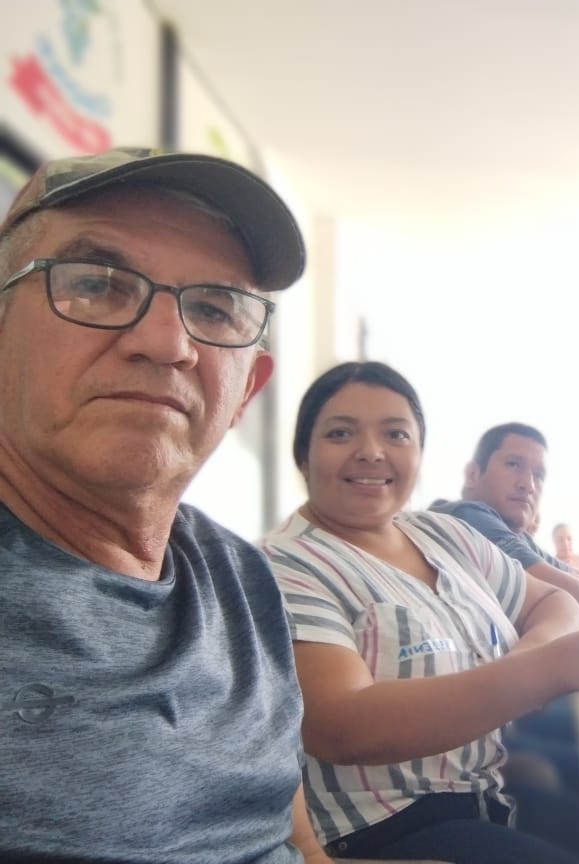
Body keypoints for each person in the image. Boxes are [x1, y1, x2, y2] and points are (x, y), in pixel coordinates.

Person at [0, 147, 331, 862]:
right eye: (96, 285)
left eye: (213, 308)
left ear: (246, 391)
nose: (166, 342)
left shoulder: (243, 577)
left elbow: (289, 831)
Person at [261, 362, 579, 864]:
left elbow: (555, 601)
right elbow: (343, 726)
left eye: (396, 434)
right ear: (303, 454)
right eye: (341, 433)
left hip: (487, 792)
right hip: (386, 832)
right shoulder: (283, 564)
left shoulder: (443, 534)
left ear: (419, 453)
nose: (371, 451)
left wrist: (530, 662)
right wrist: (546, 671)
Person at [430, 423, 579, 626]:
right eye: (513, 465)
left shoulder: (520, 537)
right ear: (472, 474)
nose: (528, 485)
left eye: (538, 475)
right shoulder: (467, 516)